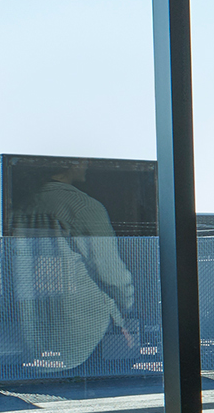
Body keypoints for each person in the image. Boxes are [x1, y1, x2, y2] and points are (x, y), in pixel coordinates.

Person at [17, 159, 136, 371]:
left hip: (31, 334)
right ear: (71, 164)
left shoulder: (21, 207)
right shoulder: (84, 207)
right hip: (83, 337)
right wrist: (129, 308)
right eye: (82, 161)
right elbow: (109, 272)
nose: (87, 165)